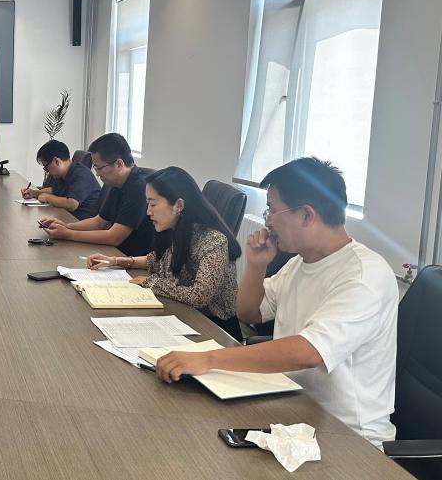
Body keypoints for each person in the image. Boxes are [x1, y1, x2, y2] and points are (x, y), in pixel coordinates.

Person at [154, 158, 397, 448]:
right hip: (292, 407)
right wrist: (256, 265)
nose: (267, 220)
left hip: (349, 438)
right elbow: (249, 312)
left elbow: (309, 351)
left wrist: (208, 359)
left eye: (271, 209)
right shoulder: (300, 263)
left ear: (306, 215)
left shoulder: (364, 275)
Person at [86, 167, 242, 339]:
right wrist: (115, 261)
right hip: (183, 315)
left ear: (178, 205)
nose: (148, 212)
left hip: (214, 328)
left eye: (153, 204)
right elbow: (157, 259)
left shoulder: (213, 240)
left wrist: (152, 282)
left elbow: (199, 295)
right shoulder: (177, 228)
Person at [40, 133, 155, 256]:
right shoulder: (117, 183)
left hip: (132, 258)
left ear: (119, 164)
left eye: (99, 168)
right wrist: (66, 226)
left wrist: (69, 234)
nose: (97, 174)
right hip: (116, 253)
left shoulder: (139, 187)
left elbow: (114, 237)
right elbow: (99, 222)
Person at [20, 140, 102, 220]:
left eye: (46, 167)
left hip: (81, 221)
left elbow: (72, 204)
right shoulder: (61, 173)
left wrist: (47, 198)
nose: (47, 171)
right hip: (67, 216)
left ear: (57, 161)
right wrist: (34, 193)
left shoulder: (81, 174)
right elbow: (54, 190)